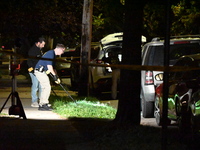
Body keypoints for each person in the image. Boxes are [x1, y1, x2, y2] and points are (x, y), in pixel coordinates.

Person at [34, 43, 65, 111]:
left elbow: (53, 68)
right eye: (63, 51)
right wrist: (54, 77)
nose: (62, 53)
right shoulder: (50, 53)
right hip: (39, 71)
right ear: (60, 49)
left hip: (42, 72)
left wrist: (56, 76)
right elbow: (49, 67)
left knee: (45, 87)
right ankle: (43, 104)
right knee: (47, 86)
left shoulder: (53, 55)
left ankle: (42, 104)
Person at [27, 37, 46, 107]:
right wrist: (32, 70)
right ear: (38, 43)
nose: (43, 46)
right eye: (42, 44)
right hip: (34, 71)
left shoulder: (40, 50)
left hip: (39, 71)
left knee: (41, 86)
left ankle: (41, 101)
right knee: (35, 86)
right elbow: (29, 61)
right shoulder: (32, 50)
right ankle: (34, 101)